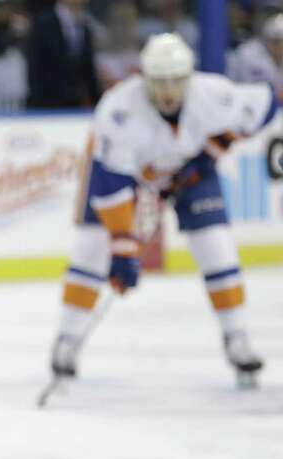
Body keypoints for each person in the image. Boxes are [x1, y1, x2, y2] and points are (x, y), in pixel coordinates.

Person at [48, 34, 278, 388]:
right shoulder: (119, 110)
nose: (169, 90)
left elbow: (264, 106)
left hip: (189, 168)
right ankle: (68, 340)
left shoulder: (212, 94)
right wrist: (123, 245)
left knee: (216, 246)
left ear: (189, 77)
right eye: (159, 81)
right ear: (144, 77)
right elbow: (111, 183)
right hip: (127, 174)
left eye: (176, 80)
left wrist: (211, 152)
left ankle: (237, 339)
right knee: (92, 248)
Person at [25, 0, 101, 109]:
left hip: (73, 105)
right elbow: (34, 69)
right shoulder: (42, 24)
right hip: (45, 105)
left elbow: (88, 72)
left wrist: (98, 105)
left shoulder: (85, 27)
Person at [230, 13, 283, 101]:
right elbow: (233, 84)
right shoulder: (246, 54)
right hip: (247, 102)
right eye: (275, 41)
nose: (278, 47)